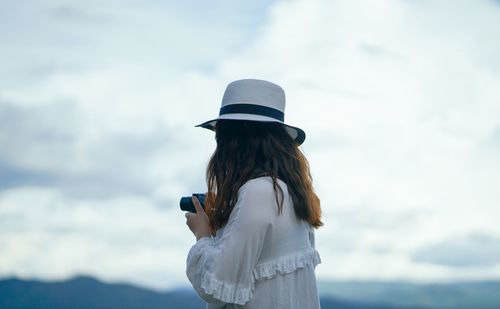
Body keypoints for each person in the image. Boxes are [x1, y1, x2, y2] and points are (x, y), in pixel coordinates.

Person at [185, 79, 323, 308]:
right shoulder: (291, 194)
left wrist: (203, 234)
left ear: (234, 141)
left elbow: (219, 287)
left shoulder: (259, 192)